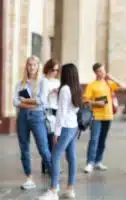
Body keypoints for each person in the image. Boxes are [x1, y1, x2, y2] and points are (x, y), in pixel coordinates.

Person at [38, 63, 81, 200]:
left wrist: (56, 133)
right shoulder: (76, 88)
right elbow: (76, 108)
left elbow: (61, 113)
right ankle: (70, 188)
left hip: (65, 127)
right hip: (74, 126)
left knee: (55, 156)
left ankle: (53, 190)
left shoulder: (65, 89)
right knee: (72, 157)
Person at [13, 55, 52, 190]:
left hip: (37, 117)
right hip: (22, 118)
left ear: (38, 66)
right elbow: (15, 102)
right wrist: (31, 103)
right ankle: (29, 178)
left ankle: (54, 178)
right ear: (26, 66)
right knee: (24, 149)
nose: (32, 67)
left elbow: (41, 101)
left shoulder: (43, 82)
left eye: (34, 65)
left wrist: (24, 101)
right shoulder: (21, 83)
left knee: (43, 148)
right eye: (29, 65)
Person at [83, 63, 122, 173]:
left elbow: (122, 86)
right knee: (94, 139)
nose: (103, 72)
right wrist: (96, 103)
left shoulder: (108, 83)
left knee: (102, 140)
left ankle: (98, 161)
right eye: (100, 71)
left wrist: (112, 77)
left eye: (103, 70)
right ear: (95, 72)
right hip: (96, 116)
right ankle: (90, 162)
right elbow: (85, 100)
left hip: (108, 115)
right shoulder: (91, 85)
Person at [41, 58, 60, 174]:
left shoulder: (58, 82)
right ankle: (47, 164)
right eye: (53, 70)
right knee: (48, 140)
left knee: (55, 140)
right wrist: (50, 92)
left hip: (56, 112)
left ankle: (51, 163)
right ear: (48, 69)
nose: (55, 72)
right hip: (46, 112)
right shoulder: (43, 81)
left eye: (57, 70)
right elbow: (41, 98)